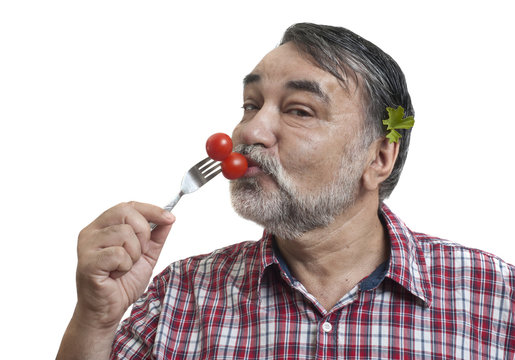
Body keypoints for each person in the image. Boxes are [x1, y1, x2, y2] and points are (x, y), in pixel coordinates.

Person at [57, 23, 514, 359]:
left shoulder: (496, 296)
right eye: (250, 105)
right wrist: (94, 320)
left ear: (379, 159)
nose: (250, 130)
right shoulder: (180, 294)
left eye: (299, 110)